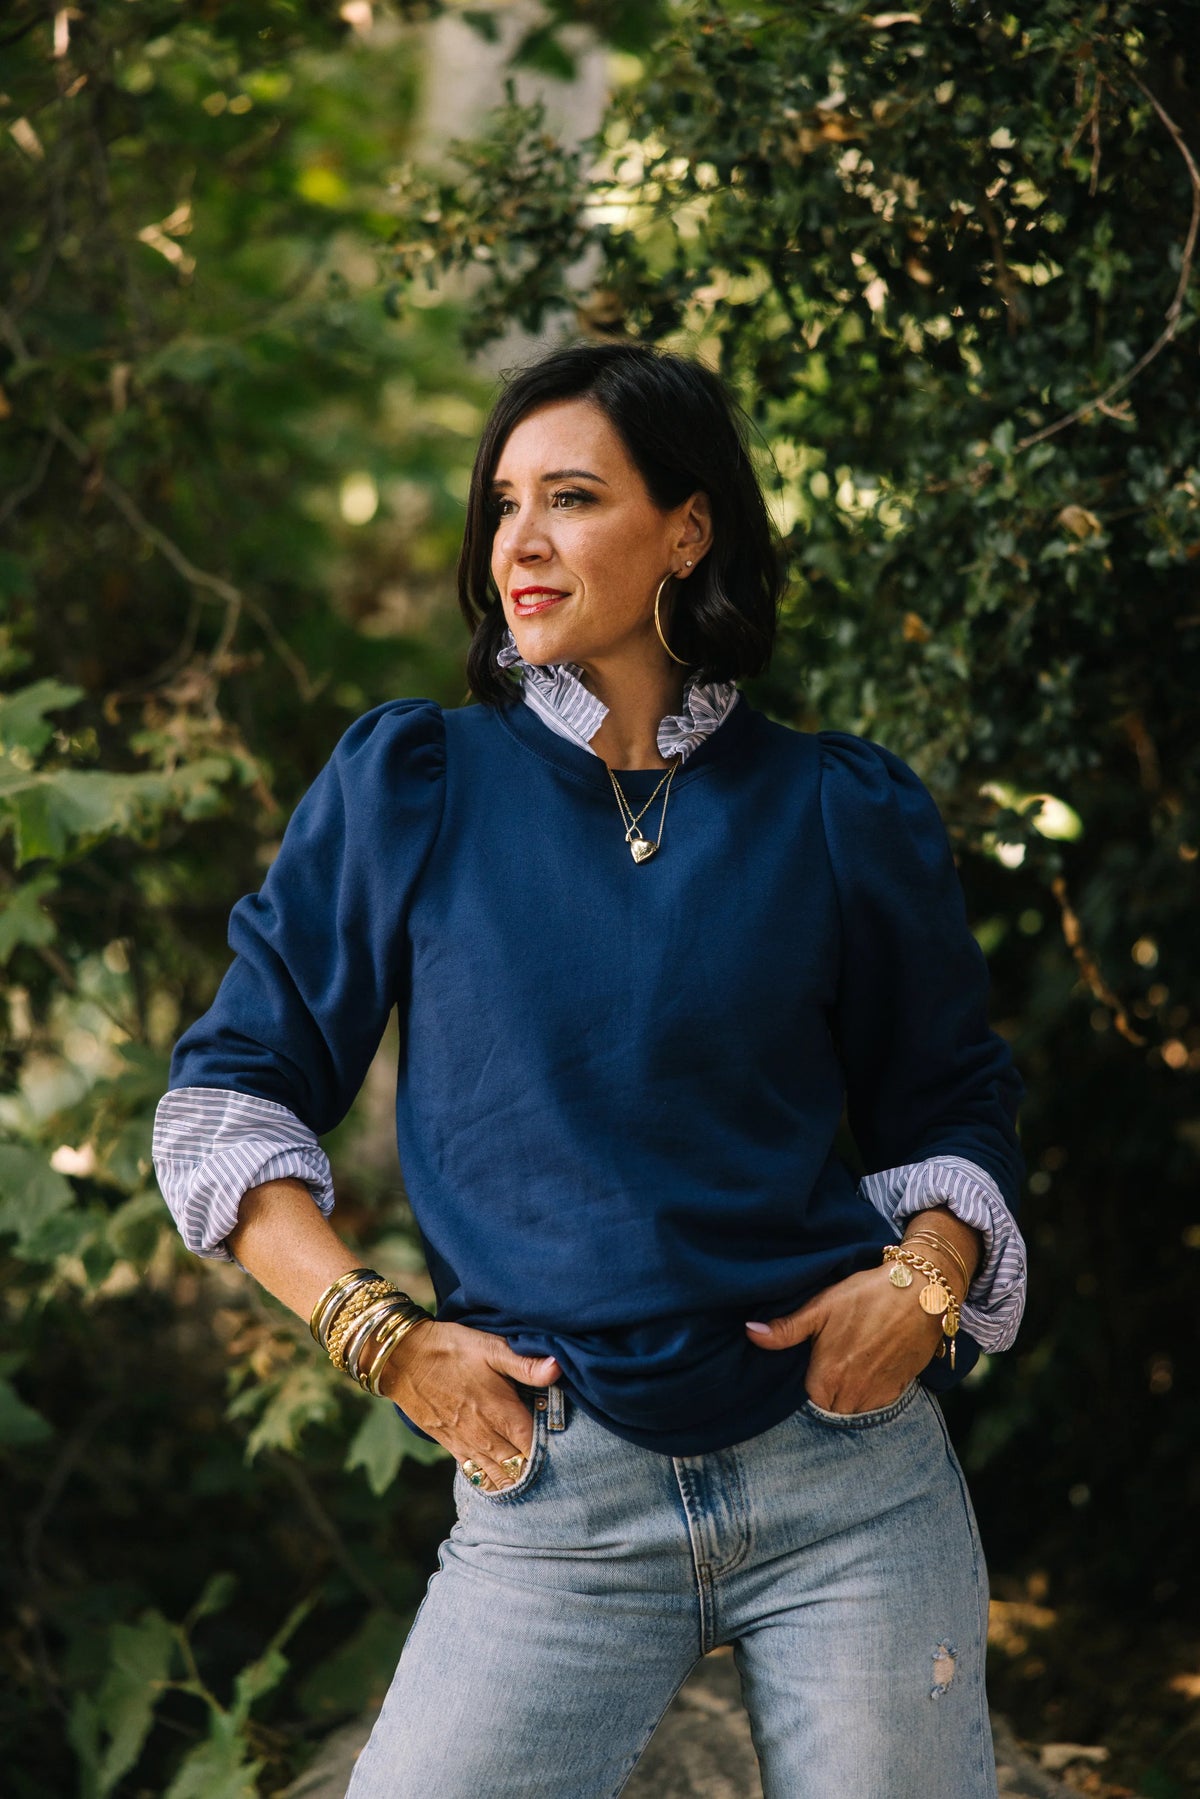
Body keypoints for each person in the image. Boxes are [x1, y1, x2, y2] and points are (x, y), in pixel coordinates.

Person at [153, 340, 1026, 1799]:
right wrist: (381, 1334)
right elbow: (231, 1098)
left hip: (849, 1483)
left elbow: (950, 1103)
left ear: (687, 530)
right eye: (504, 505)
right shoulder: (415, 783)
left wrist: (925, 1281)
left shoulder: (835, 807)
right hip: (555, 1489)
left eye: (572, 497)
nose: (522, 544)